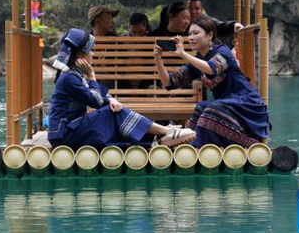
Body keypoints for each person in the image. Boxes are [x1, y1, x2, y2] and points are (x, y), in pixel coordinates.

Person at [47, 28, 196, 150]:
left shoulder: (74, 74)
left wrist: (111, 99)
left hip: (70, 130)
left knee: (112, 110)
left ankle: (159, 135)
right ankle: (164, 132)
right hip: (64, 136)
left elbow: (96, 94)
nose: (93, 54)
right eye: (90, 50)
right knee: (108, 113)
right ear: (80, 55)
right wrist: (91, 74)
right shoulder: (70, 78)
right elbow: (96, 101)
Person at [153, 16, 270, 147]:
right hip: (226, 106)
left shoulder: (223, 51)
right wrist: (158, 59)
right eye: (189, 34)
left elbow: (211, 69)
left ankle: (248, 144)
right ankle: (189, 146)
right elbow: (169, 82)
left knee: (211, 109)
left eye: (196, 33)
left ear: (210, 35)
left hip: (245, 105)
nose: (191, 37)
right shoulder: (198, 60)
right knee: (201, 107)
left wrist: (183, 54)